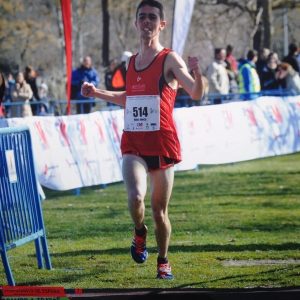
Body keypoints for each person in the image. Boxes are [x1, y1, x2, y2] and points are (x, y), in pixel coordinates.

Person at [81, 0, 204, 280]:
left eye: (152, 17)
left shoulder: (170, 59)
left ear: (161, 25)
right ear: (136, 23)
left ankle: (163, 259)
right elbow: (129, 98)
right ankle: (139, 232)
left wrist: (198, 72)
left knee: (160, 212)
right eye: (142, 17)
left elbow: (195, 93)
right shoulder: (131, 61)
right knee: (136, 197)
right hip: (134, 142)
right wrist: (96, 92)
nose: (147, 22)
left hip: (162, 145)